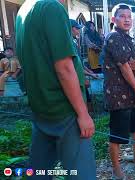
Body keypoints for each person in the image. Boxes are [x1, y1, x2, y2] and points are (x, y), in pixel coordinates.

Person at [16, 0, 96, 179]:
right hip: (65, 109)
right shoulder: (51, 7)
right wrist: (83, 114)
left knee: (39, 173)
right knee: (81, 174)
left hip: (41, 107)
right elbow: (64, 67)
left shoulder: (24, 9)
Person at [103, 4, 135, 179]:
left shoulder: (128, 39)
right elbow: (125, 66)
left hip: (131, 93)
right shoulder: (114, 37)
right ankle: (117, 171)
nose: (127, 19)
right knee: (117, 135)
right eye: (122, 16)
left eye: (129, 16)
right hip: (118, 95)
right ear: (113, 19)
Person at [70, 19, 99, 112]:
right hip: (75, 79)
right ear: (71, 29)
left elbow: (79, 63)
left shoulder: (74, 42)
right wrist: (90, 75)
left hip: (80, 75)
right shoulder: (70, 44)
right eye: (76, 28)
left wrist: (88, 71)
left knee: (87, 97)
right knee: (82, 100)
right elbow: (74, 66)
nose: (78, 31)